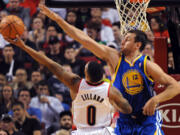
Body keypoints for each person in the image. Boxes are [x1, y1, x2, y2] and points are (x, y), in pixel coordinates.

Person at [37, 4, 180, 135]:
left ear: (137, 45)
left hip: (147, 122)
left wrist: (156, 99)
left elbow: (175, 86)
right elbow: (85, 40)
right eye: (123, 38)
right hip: (124, 121)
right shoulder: (114, 58)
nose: (122, 41)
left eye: (128, 39)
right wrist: (58, 20)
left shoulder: (147, 65)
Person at [5, 34, 132, 135]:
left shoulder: (76, 84)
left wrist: (24, 46)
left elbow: (50, 63)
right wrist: (114, 103)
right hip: (104, 131)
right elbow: (127, 109)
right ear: (102, 76)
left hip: (81, 131)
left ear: (86, 74)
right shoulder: (110, 90)